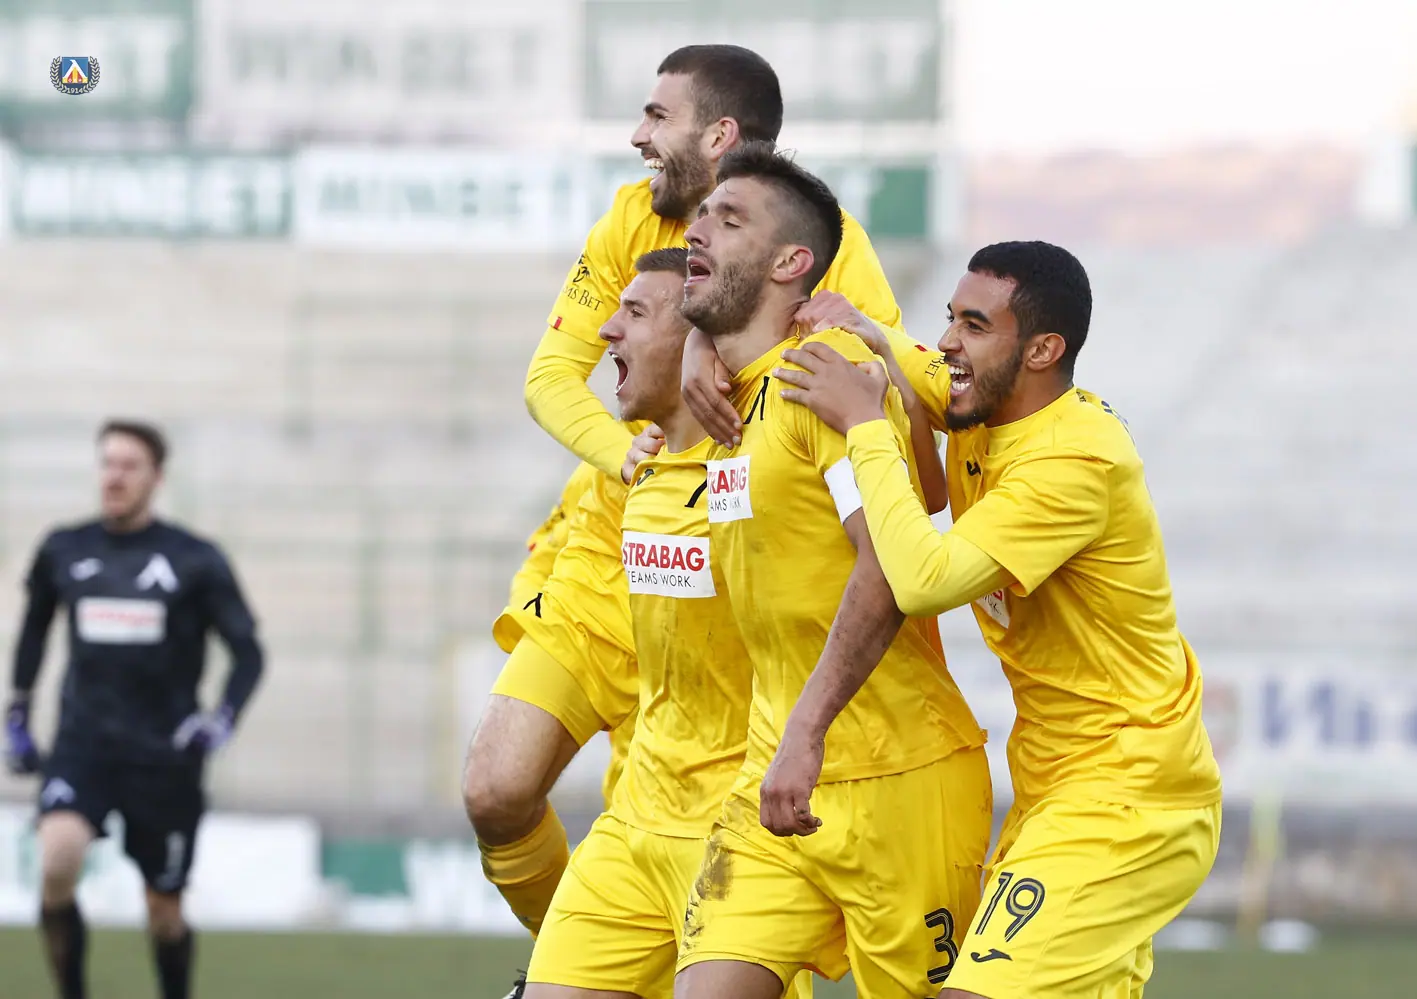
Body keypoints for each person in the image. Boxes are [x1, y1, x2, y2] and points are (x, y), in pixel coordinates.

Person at [463, 42, 946, 947]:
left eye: (657, 116)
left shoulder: (824, 239)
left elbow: (879, 381)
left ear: (719, 134)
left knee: (703, 835)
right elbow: (550, 378)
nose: (637, 136)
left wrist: (715, 341)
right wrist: (630, 455)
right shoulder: (627, 218)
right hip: (613, 532)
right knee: (496, 787)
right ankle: (568, 956)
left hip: (732, 543)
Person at [774, 240, 1223, 998]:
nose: (950, 340)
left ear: (1043, 350)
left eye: (974, 325)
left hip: (1132, 794)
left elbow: (921, 580)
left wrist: (865, 426)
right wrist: (865, 331)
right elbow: (911, 357)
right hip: (1055, 787)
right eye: (950, 317)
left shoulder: (1074, 463)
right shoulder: (982, 396)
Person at [671, 143, 992, 999]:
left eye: (728, 220)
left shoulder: (825, 373)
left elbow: (886, 559)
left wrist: (806, 731)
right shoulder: (732, 395)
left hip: (898, 778)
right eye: (701, 215)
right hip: (773, 780)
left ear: (791, 263)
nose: (697, 230)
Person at [523, 247, 810, 999]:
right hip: (634, 819)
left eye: (635, 313)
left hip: (738, 833)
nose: (607, 331)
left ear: (695, 340)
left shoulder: (765, 468)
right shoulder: (635, 476)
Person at [3, 419, 265, 999]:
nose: (114, 477)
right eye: (107, 463)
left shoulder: (195, 560)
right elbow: (34, 632)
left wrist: (221, 719)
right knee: (57, 860)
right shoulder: (64, 548)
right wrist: (17, 712)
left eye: (129, 466)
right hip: (83, 746)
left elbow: (249, 653)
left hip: (164, 757)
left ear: (156, 477)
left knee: (164, 911)